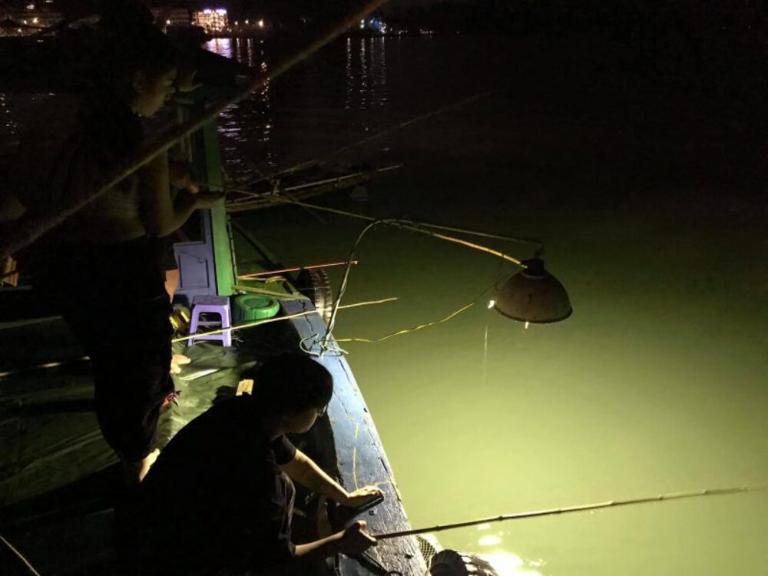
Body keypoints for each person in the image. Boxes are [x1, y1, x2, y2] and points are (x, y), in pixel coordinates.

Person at [9, 23, 222, 483]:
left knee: (108, 355)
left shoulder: (57, 121)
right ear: (136, 80)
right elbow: (160, 223)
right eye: (164, 84)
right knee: (135, 367)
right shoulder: (144, 138)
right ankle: (136, 456)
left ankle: (144, 416)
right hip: (123, 268)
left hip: (61, 263)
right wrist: (193, 200)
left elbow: (31, 188)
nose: (167, 95)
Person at [118, 353, 383, 575]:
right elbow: (277, 561)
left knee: (287, 485)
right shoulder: (261, 477)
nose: (319, 414)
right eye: (318, 409)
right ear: (291, 414)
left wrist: (345, 497)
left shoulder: (241, 411)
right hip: (171, 557)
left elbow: (297, 462)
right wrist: (339, 543)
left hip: (151, 514)